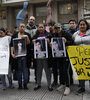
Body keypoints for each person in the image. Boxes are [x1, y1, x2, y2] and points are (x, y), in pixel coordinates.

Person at [53, 23, 73, 95]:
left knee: (65, 70)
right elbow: (52, 42)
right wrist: (51, 44)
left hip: (66, 55)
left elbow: (72, 42)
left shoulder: (66, 34)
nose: (57, 29)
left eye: (58, 28)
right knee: (60, 70)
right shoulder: (54, 35)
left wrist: (67, 42)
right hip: (59, 55)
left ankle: (67, 86)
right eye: (56, 28)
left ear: (61, 28)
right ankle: (62, 84)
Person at [32, 23, 53, 91]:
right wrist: (33, 42)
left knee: (48, 71)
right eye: (39, 27)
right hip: (38, 57)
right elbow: (32, 46)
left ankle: (49, 84)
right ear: (38, 28)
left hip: (46, 57)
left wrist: (49, 42)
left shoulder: (49, 35)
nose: (41, 28)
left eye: (42, 27)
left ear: (44, 28)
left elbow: (52, 46)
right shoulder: (35, 36)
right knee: (38, 71)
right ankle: (38, 84)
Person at [11, 23, 31, 90]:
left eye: (23, 26)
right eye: (21, 26)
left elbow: (29, 43)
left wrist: (27, 37)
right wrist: (12, 53)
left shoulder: (27, 35)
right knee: (18, 70)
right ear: (19, 27)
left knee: (25, 70)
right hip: (17, 57)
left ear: (25, 28)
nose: (22, 27)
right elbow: (12, 45)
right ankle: (19, 84)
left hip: (25, 56)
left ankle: (25, 84)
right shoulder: (15, 35)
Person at [72, 19, 90, 93]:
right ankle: (82, 87)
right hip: (79, 58)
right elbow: (72, 42)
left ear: (86, 25)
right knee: (80, 72)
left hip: (88, 57)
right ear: (78, 26)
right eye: (81, 25)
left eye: (83, 24)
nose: (82, 26)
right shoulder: (75, 34)